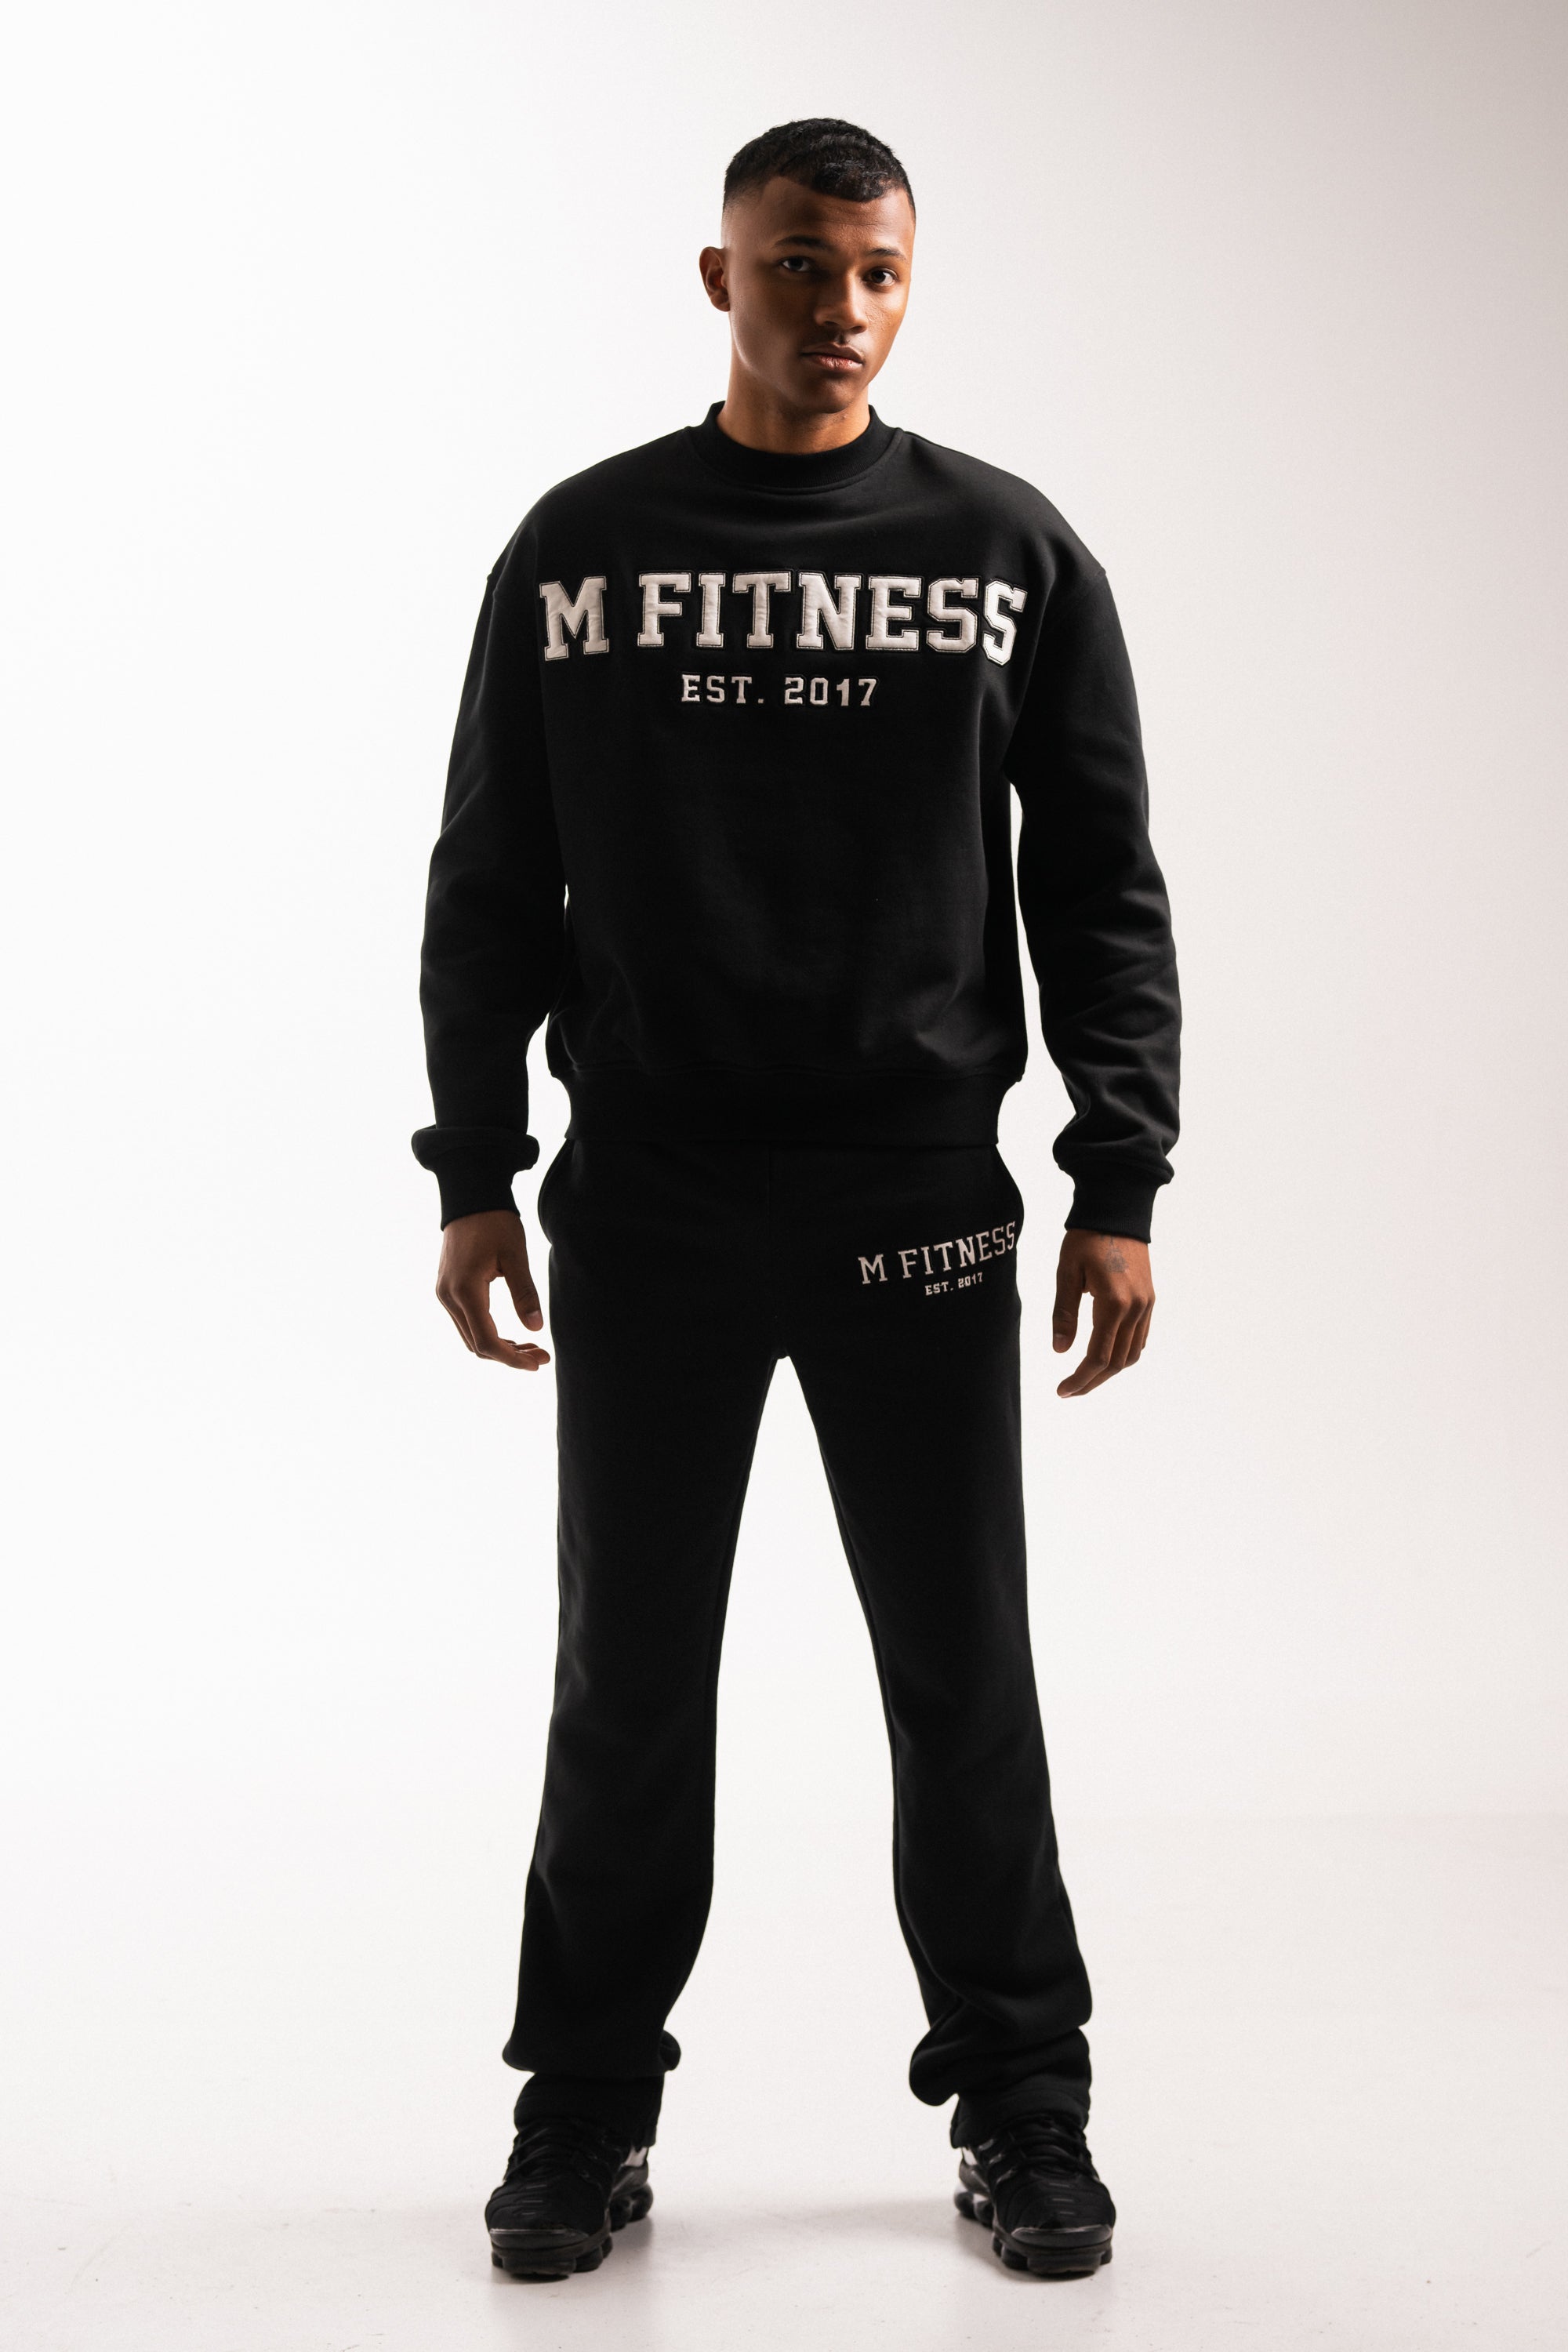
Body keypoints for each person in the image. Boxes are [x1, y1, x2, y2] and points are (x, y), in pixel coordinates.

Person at [412, 116, 1179, 2284]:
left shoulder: (1005, 548)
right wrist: (474, 1170)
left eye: (873, 271)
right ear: (718, 276)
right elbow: (489, 877)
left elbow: (1101, 885)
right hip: (650, 1191)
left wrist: (1117, 1173)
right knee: (629, 1677)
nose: (836, 308)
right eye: (794, 266)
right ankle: (584, 2106)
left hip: (915, 1188)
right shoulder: (584, 549)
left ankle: (1025, 2104)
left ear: (907, 282)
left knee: (963, 1672)